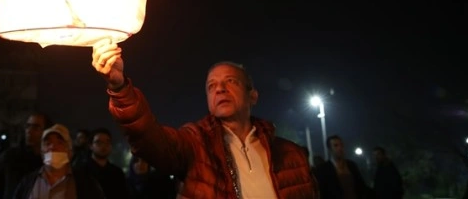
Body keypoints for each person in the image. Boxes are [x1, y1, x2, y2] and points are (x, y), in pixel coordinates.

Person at [91, 39, 318, 198]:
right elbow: (149, 139)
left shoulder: (292, 155)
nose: (219, 89)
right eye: (212, 86)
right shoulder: (194, 143)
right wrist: (120, 88)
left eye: (231, 82)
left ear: (253, 95)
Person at [11, 124, 105, 198]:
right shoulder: (27, 182)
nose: (52, 147)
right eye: (47, 143)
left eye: (60, 143)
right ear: (41, 151)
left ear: (69, 151)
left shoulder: (86, 183)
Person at [313, 135, 370, 199]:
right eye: (336, 145)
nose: (340, 148)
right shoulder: (323, 169)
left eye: (341, 145)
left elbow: (361, 186)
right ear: (330, 149)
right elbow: (322, 192)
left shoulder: (351, 165)